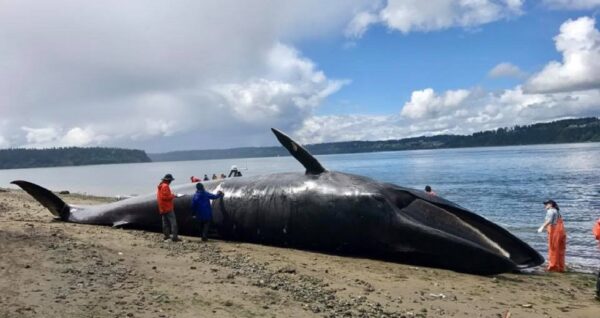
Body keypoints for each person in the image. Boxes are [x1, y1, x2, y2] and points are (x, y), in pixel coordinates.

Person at [537, 200, 566, 272]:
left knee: (553, 249)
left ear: (551, 204)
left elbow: (549, 220)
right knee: (560, 250)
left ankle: (553, 267)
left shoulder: (550, 211)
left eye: (546, 204)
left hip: (555, 232)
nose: (545, 206)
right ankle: (560, 267)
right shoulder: (557, 211)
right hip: (561, 232)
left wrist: (542, 227)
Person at [157, 174, 181, 242]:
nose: (171, 182)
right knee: (173, 222)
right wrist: (173, 196)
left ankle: (166, 236)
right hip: (167, 207)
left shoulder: (160, 186)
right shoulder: (165, 186)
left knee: (165, 223)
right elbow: (164, 197)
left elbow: (161, 197)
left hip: (162, 207)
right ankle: (175, 237)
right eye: (170, 180)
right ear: (168, 180)